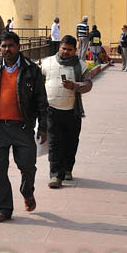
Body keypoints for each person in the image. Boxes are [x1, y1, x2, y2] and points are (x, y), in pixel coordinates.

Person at [0, 31, 49, 223]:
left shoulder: (32, 70)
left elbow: (41, 100)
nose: (7, 49)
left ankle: (27, 191)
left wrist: (43, 126)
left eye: (11, 46)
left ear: (18, 47)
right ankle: (4, 208)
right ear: (0, 48)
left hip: (23, 127)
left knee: (27, 166)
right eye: (4, 46)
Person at [41, 34, 92, 188]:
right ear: (59, 47)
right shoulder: (47, 62)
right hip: (52, 110)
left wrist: (75, 86)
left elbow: (88, 85)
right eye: (64, 48)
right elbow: (37, 80)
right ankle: (56, 176)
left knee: (71, 142)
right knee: (54, 143)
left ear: (75, 50)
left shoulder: (81, 66)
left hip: (72, 112)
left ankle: (67, 169)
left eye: (69, 50)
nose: (66, 52)